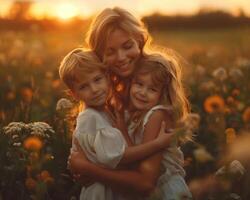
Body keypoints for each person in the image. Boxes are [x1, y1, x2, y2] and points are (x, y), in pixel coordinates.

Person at [68, 7, 191, 199]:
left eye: (127, 46)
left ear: (140, 40)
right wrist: (86, 165)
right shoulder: (106, 95)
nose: (121, 57)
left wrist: (88, 168)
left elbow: (145, 183)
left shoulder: (156, 93)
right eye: (110, 51)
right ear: (100, 56)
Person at [59, 48, 173, 200]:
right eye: (83, 87)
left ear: (107, 77)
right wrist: (157, 144)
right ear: (74, 93)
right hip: (103, 192)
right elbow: (120, 157)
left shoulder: (104, 112)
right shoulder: (90, 118)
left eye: (97, 80)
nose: (94, 89)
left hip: (111, 186)